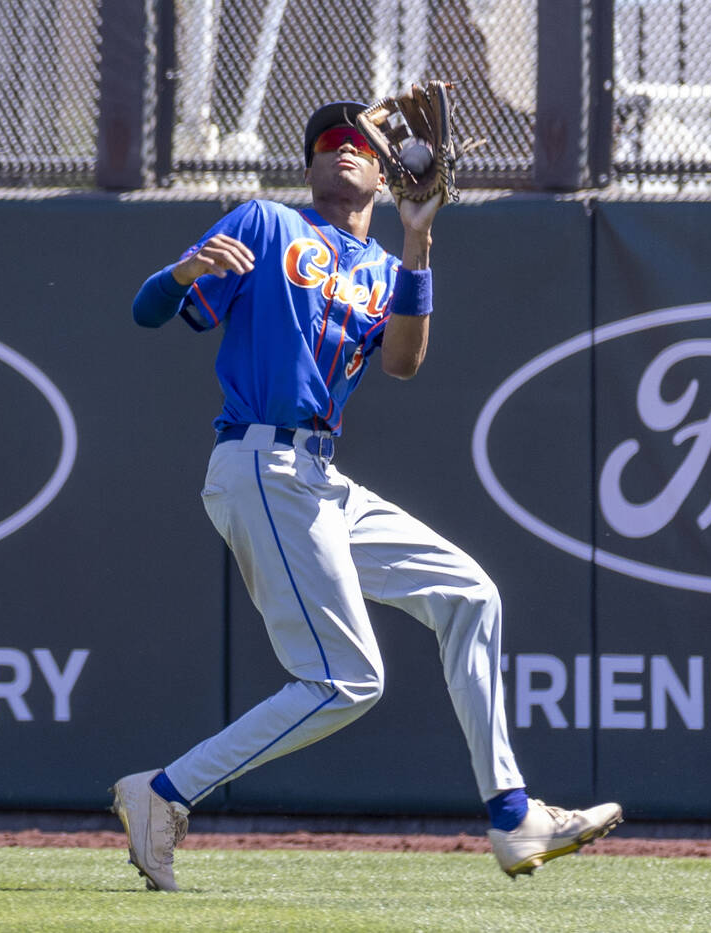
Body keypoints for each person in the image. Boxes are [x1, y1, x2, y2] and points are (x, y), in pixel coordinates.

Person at [114, 100, 622, 892]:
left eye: (359, 143)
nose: (343, 149)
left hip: (319, 479)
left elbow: (404, 364)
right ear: (309, 165)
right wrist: (180, 273)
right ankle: (165, 792)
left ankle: (513, 814)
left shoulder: (390, 268)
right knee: (346, 681)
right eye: (327, 141)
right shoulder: (264, 224)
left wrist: (421, 234)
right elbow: (148, 312)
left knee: (472, 596)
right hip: (261, 463)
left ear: (384, 175)